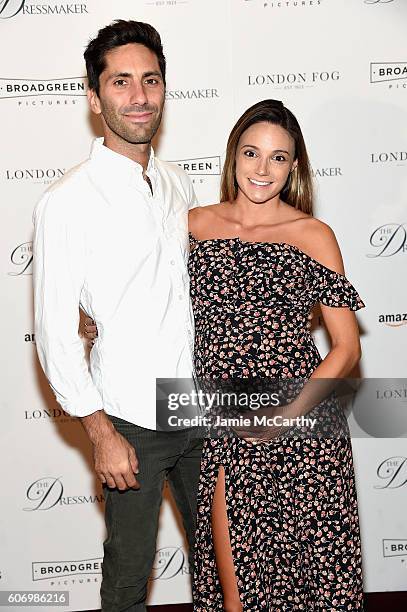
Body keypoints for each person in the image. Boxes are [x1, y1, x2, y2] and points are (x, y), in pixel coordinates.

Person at [33, 20, 203, 612]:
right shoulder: (67, 200)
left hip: (198, 405)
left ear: (164, 89)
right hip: (129, 420)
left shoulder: (178, 184)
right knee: (127, 583)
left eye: (150, 81)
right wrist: (100, 434)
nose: (138, 97)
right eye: (121, 81)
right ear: (93, 94)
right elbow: (56, 332)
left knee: (222, 563)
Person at [187, 100, 365, 610]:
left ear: (294, 167)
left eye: (278, 158)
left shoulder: (313, 235)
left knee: (315, 586)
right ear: (233, 156)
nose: (262, 170)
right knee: (238, 592)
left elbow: (346, 347)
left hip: (305, 427)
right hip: (228, 425)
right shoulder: (194, 225)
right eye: (251, 153)